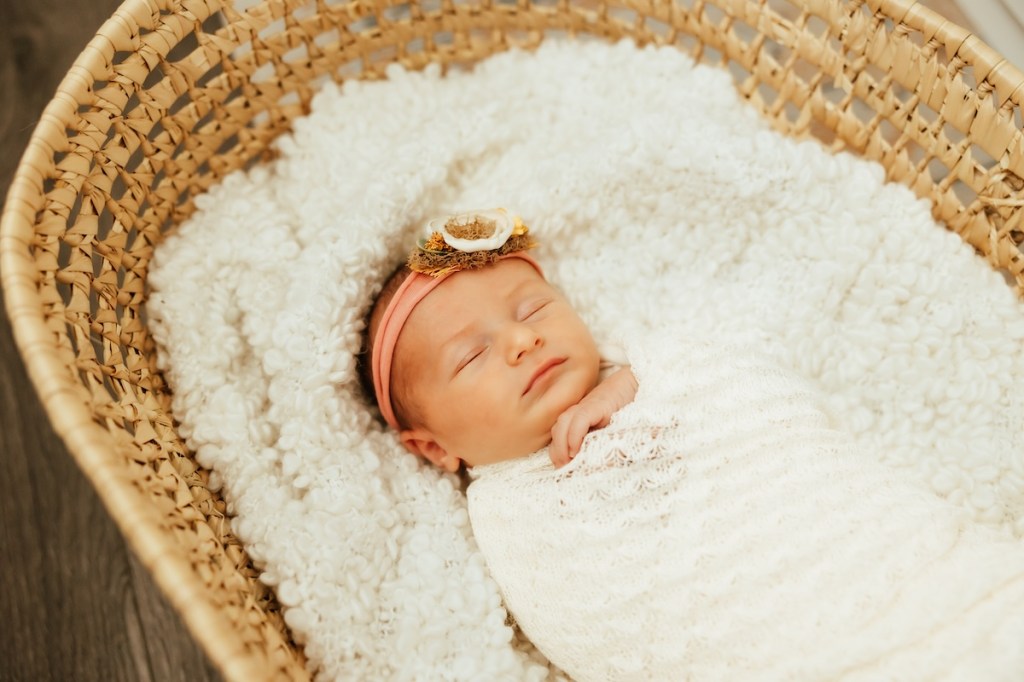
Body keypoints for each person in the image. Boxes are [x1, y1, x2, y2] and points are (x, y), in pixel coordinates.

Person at [361, 208, 637, 470]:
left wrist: (623, 389)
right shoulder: (497, 500)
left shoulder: (634, 364)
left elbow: (665, 360)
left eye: (533, 310)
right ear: (435, 448)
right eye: (472, 356)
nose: (523, 338)